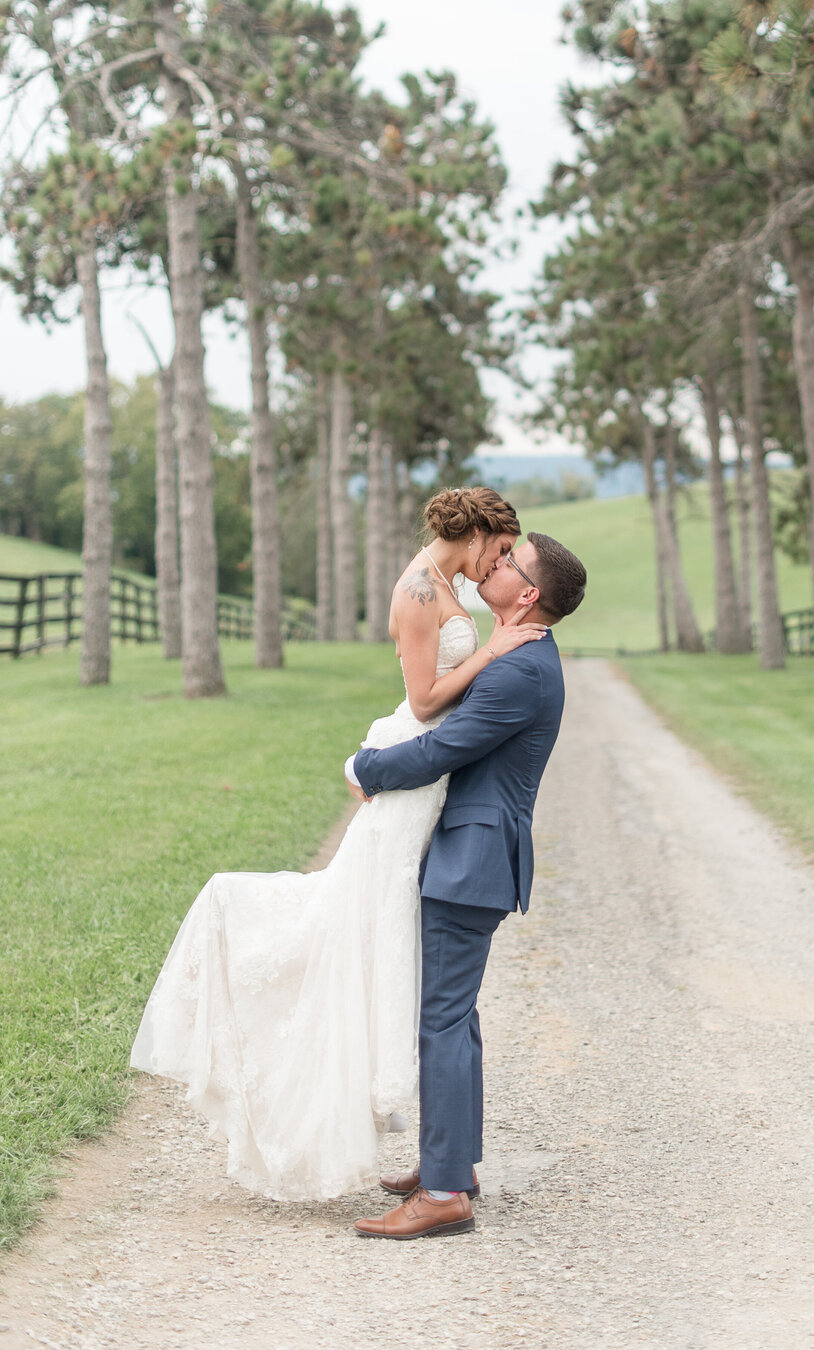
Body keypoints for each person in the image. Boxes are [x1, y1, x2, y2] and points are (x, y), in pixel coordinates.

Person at [130, 485, 543, 1203]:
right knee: (356, 925)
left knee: (392, 943)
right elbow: (423, 702)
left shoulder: (446, 583)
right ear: (473, 533)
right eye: (500, 549)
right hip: (415, 772)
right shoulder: (418, 591)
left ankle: (445, 1161)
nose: (499, 563)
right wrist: (497, 650)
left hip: (427, 781)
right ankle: (243, 943)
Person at [349, 528, 587, 1242]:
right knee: (457, 1016)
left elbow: (443, 748)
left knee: (442, 1020)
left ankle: (446, 1191)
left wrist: (367, 767)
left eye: (512, 562)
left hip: (471, 860)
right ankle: (453, 1163)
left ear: (530, 594)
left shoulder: (523, 669)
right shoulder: (517, 655)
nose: (498, 562)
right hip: (470, 857)